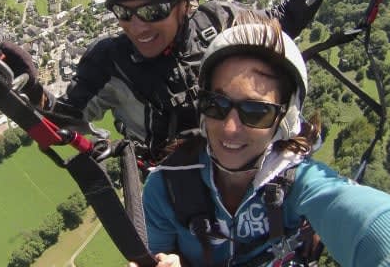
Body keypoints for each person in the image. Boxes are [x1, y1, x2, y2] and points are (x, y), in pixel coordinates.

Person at [0, 0, 362, 162]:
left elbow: (283, 23)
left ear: (186, 4)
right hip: (169, 192)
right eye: (123, 12)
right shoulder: (110, 61)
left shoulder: (219, 22)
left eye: (154, 10)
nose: (138, 26)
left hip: (242, 167)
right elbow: (64, 123)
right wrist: (30, 89)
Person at [135, 14, 390, 267]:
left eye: (256, 112)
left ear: (286, 120)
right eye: (216, 104)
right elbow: (159, 251)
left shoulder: (298, 183)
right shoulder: (166, 187)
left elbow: (369, 221)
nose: (230, 128)